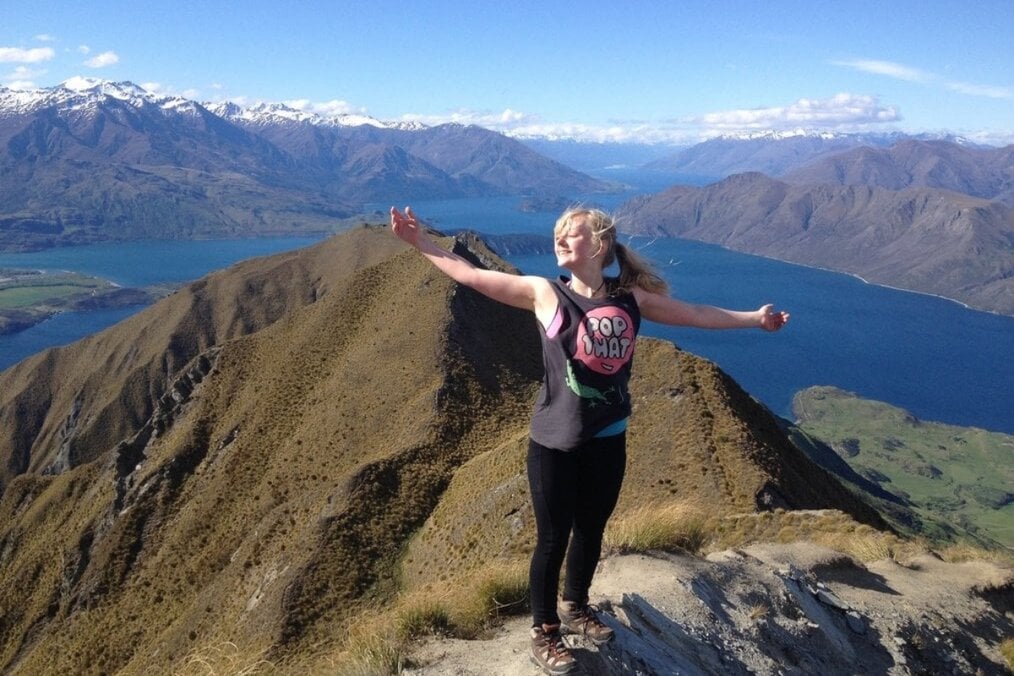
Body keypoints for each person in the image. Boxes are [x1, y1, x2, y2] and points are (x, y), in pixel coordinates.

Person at [390, 205, 788, 675]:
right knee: (552, 538)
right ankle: (544, 631)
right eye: (557, 233)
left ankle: (575, 605)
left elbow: (696, 314)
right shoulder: (545, 293)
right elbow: (472, 276)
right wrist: (421, 243)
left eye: (570, 233)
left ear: (598, 245)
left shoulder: (631, 299)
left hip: (608, 438)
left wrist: (754, 318)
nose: (559, 239)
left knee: (592, 529)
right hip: (553, 442)